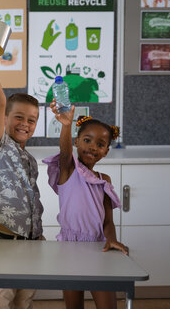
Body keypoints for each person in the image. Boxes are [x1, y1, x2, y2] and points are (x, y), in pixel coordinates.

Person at [43, 102, 129, 309]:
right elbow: (64, 152)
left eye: (100, 144)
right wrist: (66, 124)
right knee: (74, 306)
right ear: (77, 142)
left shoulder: (104, 179)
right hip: (69, 247)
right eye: (87, 140)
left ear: (106, 151)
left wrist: (112, 241)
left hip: (99, 246)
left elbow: (108, 220)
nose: (92, 147)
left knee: (108, 304)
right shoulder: (68, 170)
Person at [0, 32, 44, 309]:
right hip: (4, 241)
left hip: (32, 241)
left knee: (25, 299)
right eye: (19, 117)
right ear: (5, 119)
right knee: (2, 300)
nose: (25, 124)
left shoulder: (29, 158)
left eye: (32, 120)